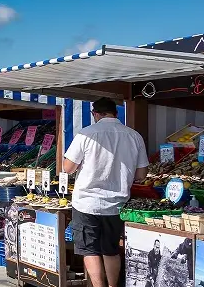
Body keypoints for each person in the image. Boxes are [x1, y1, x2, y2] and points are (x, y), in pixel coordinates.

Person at [63, 97, 149, 287]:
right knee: (110, 250)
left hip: (86, 202)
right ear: (116, 114)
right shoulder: (134, 136)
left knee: (89, 250)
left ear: (95, 114)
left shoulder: (86, 134)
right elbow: (142, 174)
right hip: (117, 204)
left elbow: (67, 168)